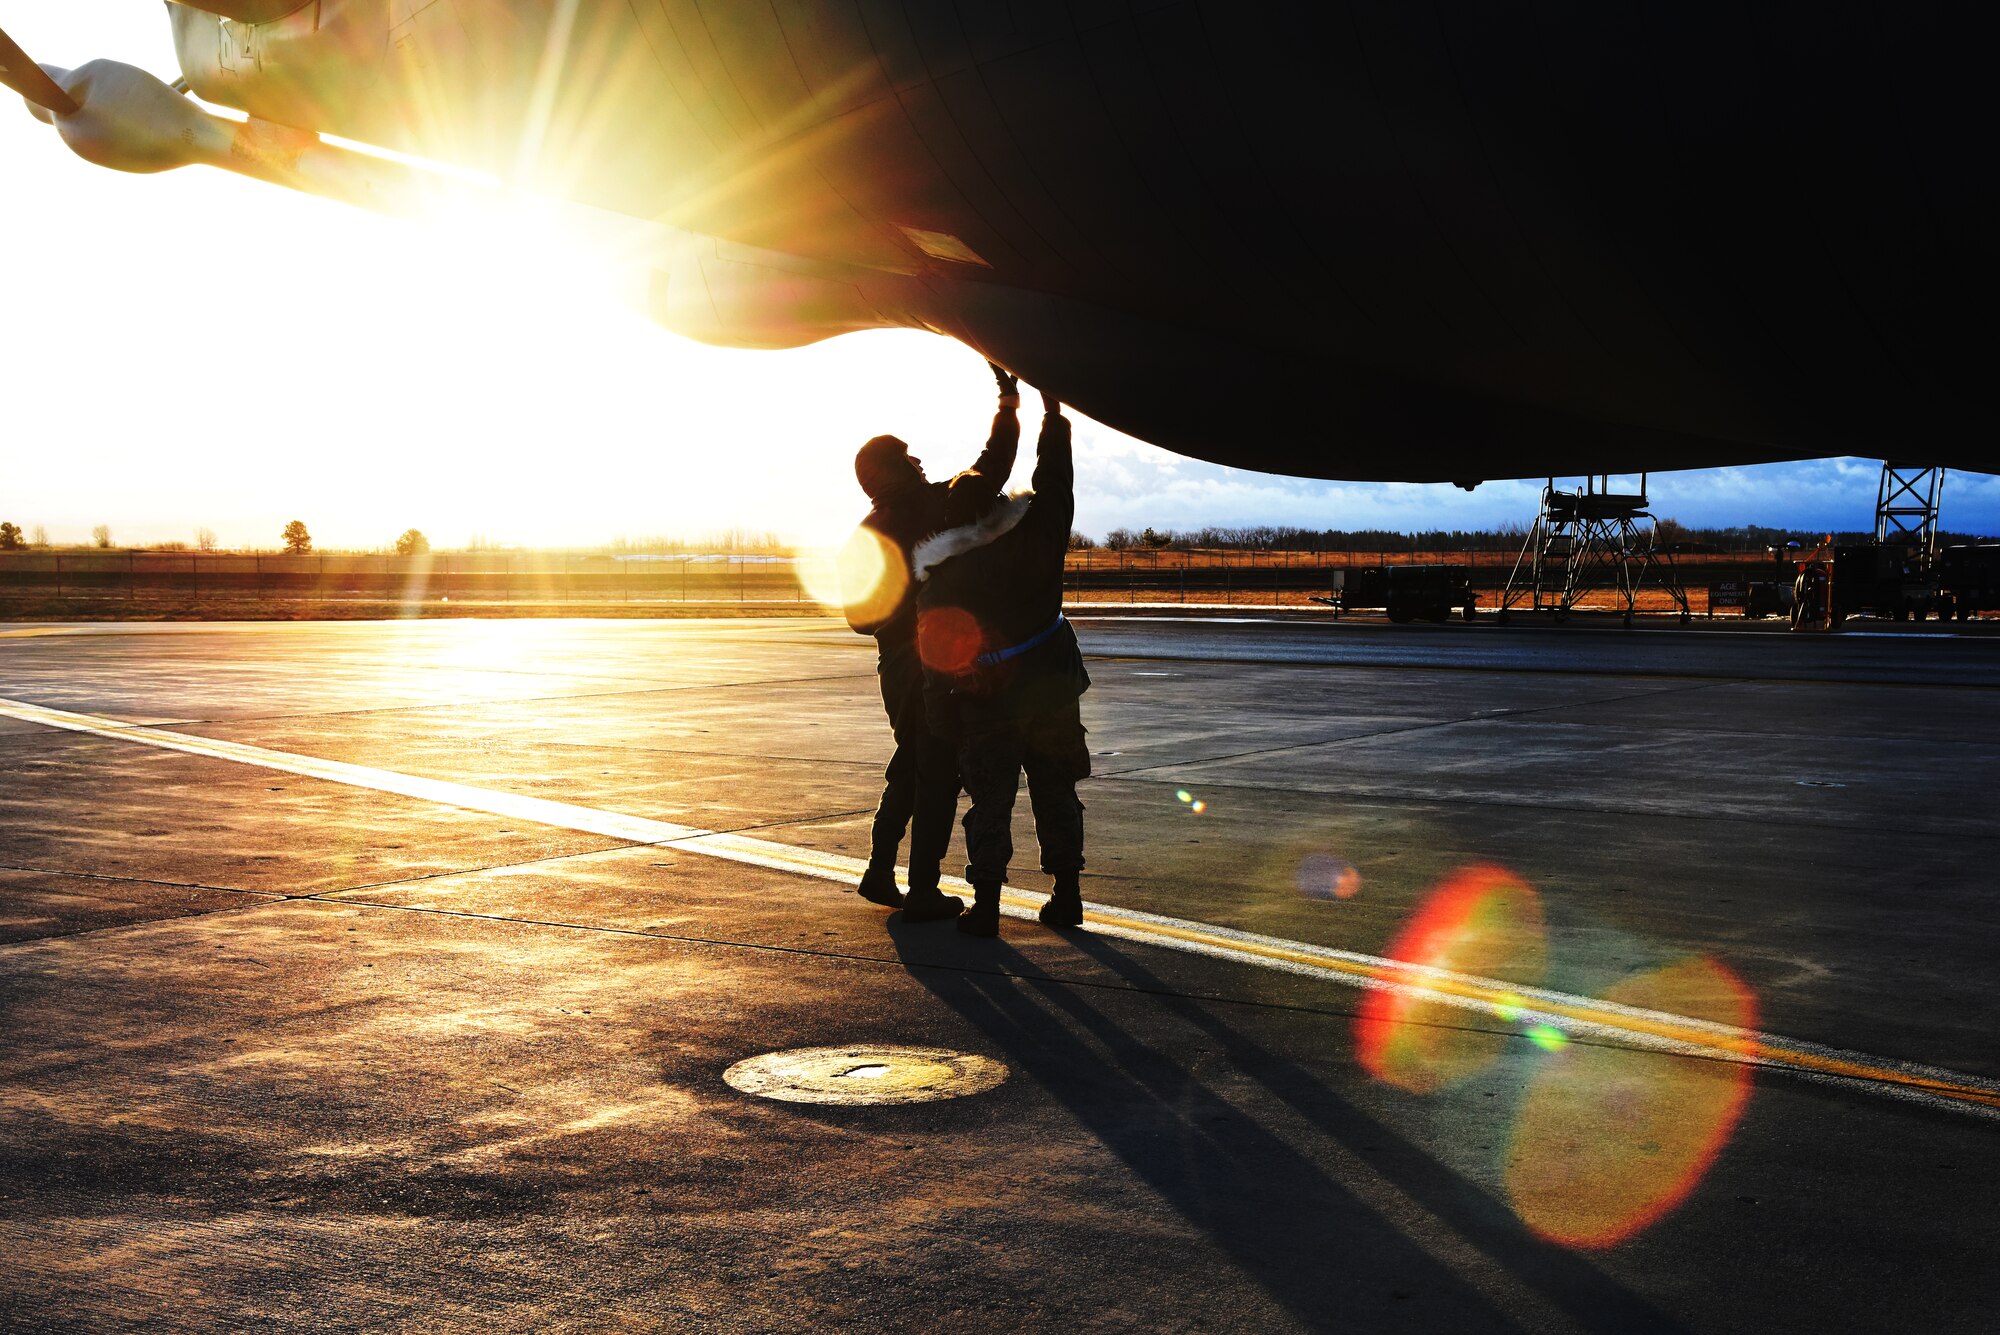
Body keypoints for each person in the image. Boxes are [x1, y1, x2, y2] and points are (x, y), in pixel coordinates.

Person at [842, 362, 1021, 920]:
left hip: (894, 664)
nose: (919, 462)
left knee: (912, 759)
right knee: (938, 769)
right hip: (928, 662)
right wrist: (1008, 404)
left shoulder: (865, 533)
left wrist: (895, 615)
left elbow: (856, 618)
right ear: (892, 471)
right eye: (908, 458)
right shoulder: (934, 504)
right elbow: (993, 469)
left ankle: (878, 869)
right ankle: (921, 890)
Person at [910, 387, 1090, 937]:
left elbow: (936, 664)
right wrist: (1053, 417)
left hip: (986, 705)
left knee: (990, 803)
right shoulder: (1039, 537)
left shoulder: (942, 580)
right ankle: (1067, 896)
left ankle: (986, 906)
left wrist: (942, 724)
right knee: (1058, 793)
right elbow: (1056, 481)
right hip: (1053, 693)